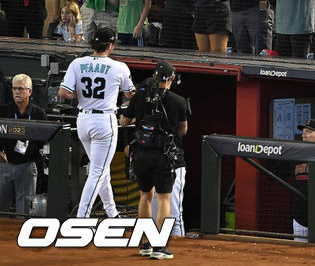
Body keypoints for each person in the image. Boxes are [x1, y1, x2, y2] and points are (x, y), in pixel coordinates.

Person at [58, 27, 135, 218]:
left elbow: (63, 92)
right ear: (110, 45)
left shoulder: (78, 63)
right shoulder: (119, 66)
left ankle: (112, 213)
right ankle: (81, 218)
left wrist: (80, 94)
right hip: (104, 120)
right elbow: (130, 93)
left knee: (100, 169)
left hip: (83, 119)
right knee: (98, 172)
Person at [120, 61, 188, 259]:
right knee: (164, 198)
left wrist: (140, 120)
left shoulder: (140, 95)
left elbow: (123, 121)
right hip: (163, 155)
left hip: (141, 153)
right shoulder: (178, 101)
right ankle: (159, 246)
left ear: (155, 76)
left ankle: (145, 243)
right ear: (172, 79)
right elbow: (183, 130)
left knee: (145, 196)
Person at [0, 74, 46, 215]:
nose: (17, 92)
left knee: (25, 211)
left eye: (21, 89)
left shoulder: (38, 113)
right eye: (14, 89)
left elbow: (42, 140)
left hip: (27, 166)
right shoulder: (3, 111)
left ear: (29, 91)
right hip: (5, 165)